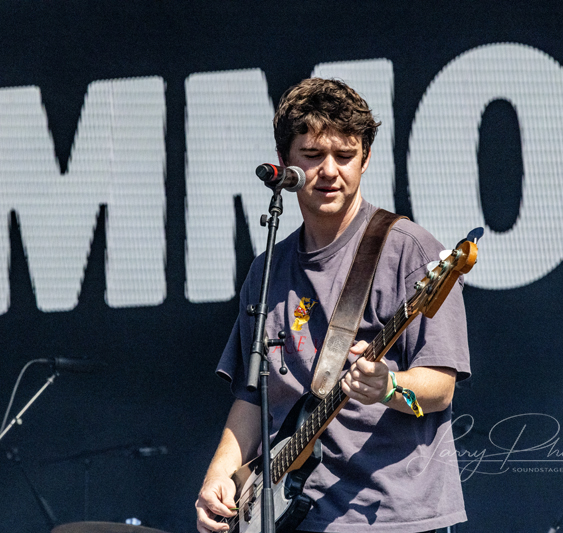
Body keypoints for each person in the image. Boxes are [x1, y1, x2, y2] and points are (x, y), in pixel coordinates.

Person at [195, 78, 470, 533]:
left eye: (344, 156)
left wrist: (388, 386)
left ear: (365, 158)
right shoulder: (266, 270)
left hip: (390, 517)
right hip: (288, 516)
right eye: (312, 155)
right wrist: (218, 476)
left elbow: (441, 386)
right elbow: (252, 396)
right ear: (285, 160)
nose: (329, 171)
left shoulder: (410, 251)